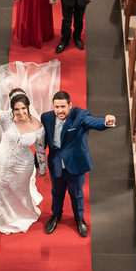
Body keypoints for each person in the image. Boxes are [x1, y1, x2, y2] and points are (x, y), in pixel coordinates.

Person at [41, 90, 116, 237]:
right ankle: (56, 215)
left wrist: (106, 122)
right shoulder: (46, 117)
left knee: (76, 194)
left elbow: (93, 122)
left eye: (63, 106)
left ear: (70, 105)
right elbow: (42, 141)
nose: (60, 110)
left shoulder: (80, 115)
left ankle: (79, 218)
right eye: (57, 107)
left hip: (76, 164)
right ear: (53, 106)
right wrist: (39, 162)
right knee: (57, 192)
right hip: (56, 164)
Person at [0, 88, 46, 233]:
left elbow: (40, 149)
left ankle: (21, 213)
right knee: (1, 188)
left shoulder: (38, 126)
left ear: (28, 107)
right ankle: (2, 219)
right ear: (11, 109)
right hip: (2, 161)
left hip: (23, 166)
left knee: (19, 191)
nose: (20, 112)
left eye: (23, 108)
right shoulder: (5, 116)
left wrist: (41, 169)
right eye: (16, 109)